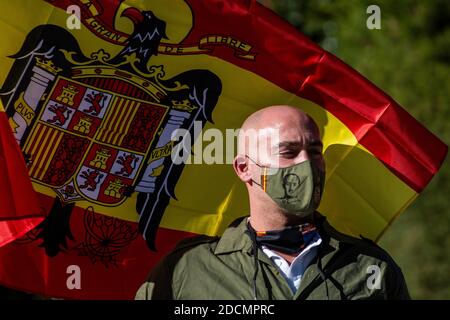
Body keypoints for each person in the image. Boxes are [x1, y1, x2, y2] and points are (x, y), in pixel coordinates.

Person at [136, 105, 410, 300]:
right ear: (244, 168)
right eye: (288, 152)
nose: (306, 164)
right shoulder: (186, 270)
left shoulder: (370, 267)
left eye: (314, 152)